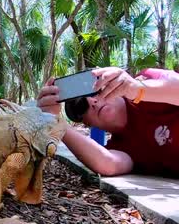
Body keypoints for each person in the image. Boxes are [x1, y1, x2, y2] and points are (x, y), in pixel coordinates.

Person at [37, 66, 179, 177]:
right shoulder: (120, 148)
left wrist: (136, 89)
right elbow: (108, 163)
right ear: (87, 123)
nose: (92, 101)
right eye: (81, 106)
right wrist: (55, 122)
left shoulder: (147, 80)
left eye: (95, 90)